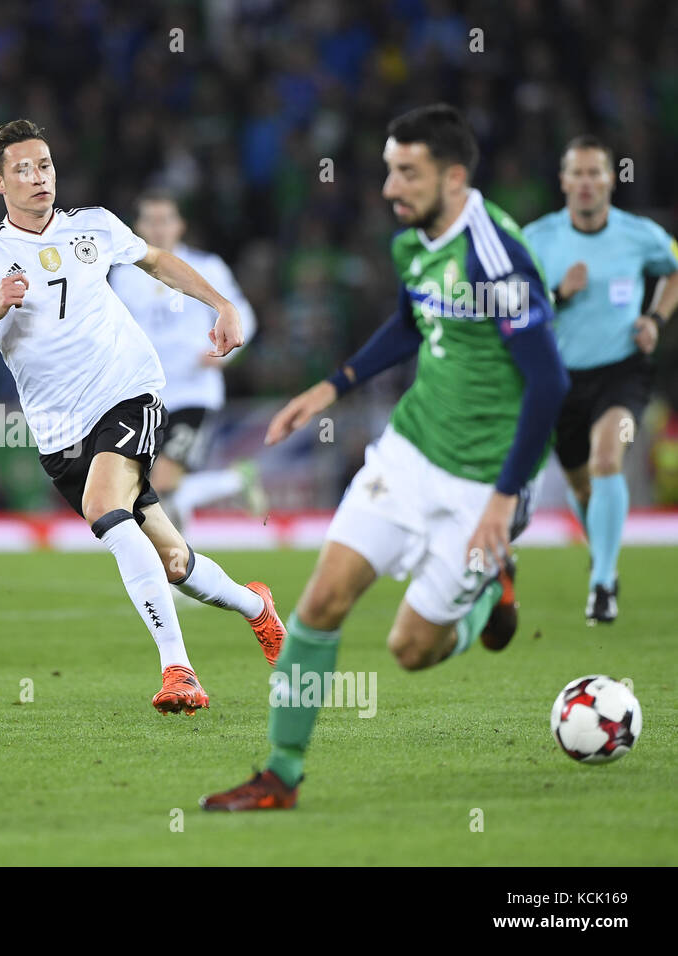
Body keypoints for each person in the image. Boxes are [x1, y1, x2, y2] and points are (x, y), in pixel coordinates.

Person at [201, 104, 570, 811]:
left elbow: (550, 381)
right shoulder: (413, 243)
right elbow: (410, 322)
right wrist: (331, 386)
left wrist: (502, 499)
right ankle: (281, 773)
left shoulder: (498, 256)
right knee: (320, 602)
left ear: (454, 177)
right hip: (408, 453)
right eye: (387, 170)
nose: (389, 188)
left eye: (408, 172)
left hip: (482, 484)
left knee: (411, 650)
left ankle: (494, 588)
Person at [0, 119, 286, 716]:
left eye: (44, 164)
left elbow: (158, 261)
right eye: (22, 169)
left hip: (129, 390)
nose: (38, 177)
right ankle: (259, 609)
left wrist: (221, 303)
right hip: (58, 429)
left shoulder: (93, 224)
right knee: (173, 561)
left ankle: (180, 671)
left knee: (104, 507)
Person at [523, 135, 678, 623]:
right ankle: (602, 552)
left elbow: (674, 270)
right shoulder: (538, 237)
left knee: (607, 458)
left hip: (622, 372)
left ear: (612, 179)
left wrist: (655, 318)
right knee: (582, 485)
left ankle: (603, 584)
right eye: (578, 173)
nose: (587, 183)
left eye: (596, 173)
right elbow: (507, 304)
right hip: (559, 378)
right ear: (564, 181)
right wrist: (557, 293)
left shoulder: (640, 234)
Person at [109, 191, 265, 529]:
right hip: (147, 395)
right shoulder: (123, 276)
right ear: (138, 226)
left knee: (163, 482)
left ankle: (182, 569)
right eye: (151, 220)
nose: (158, 227)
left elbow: (243, 315)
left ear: (180, 225)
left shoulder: (207, 267)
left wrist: (225, 356)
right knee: (153, 490)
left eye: (165, 219)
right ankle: (234, 483)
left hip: (195, 391)